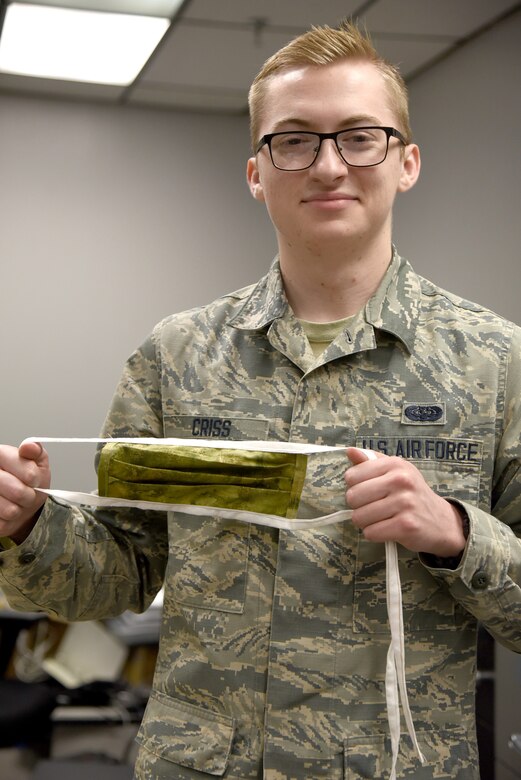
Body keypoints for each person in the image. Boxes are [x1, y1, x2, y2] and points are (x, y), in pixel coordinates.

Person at [0, 19, 520, 780]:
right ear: (256, 171)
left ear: (405, 162)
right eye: (295, 140)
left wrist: (451, 532)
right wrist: (30, 525)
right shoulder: (175, 357)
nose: (329, 164)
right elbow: (119, 575)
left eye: (359, 137)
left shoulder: (496, 362)